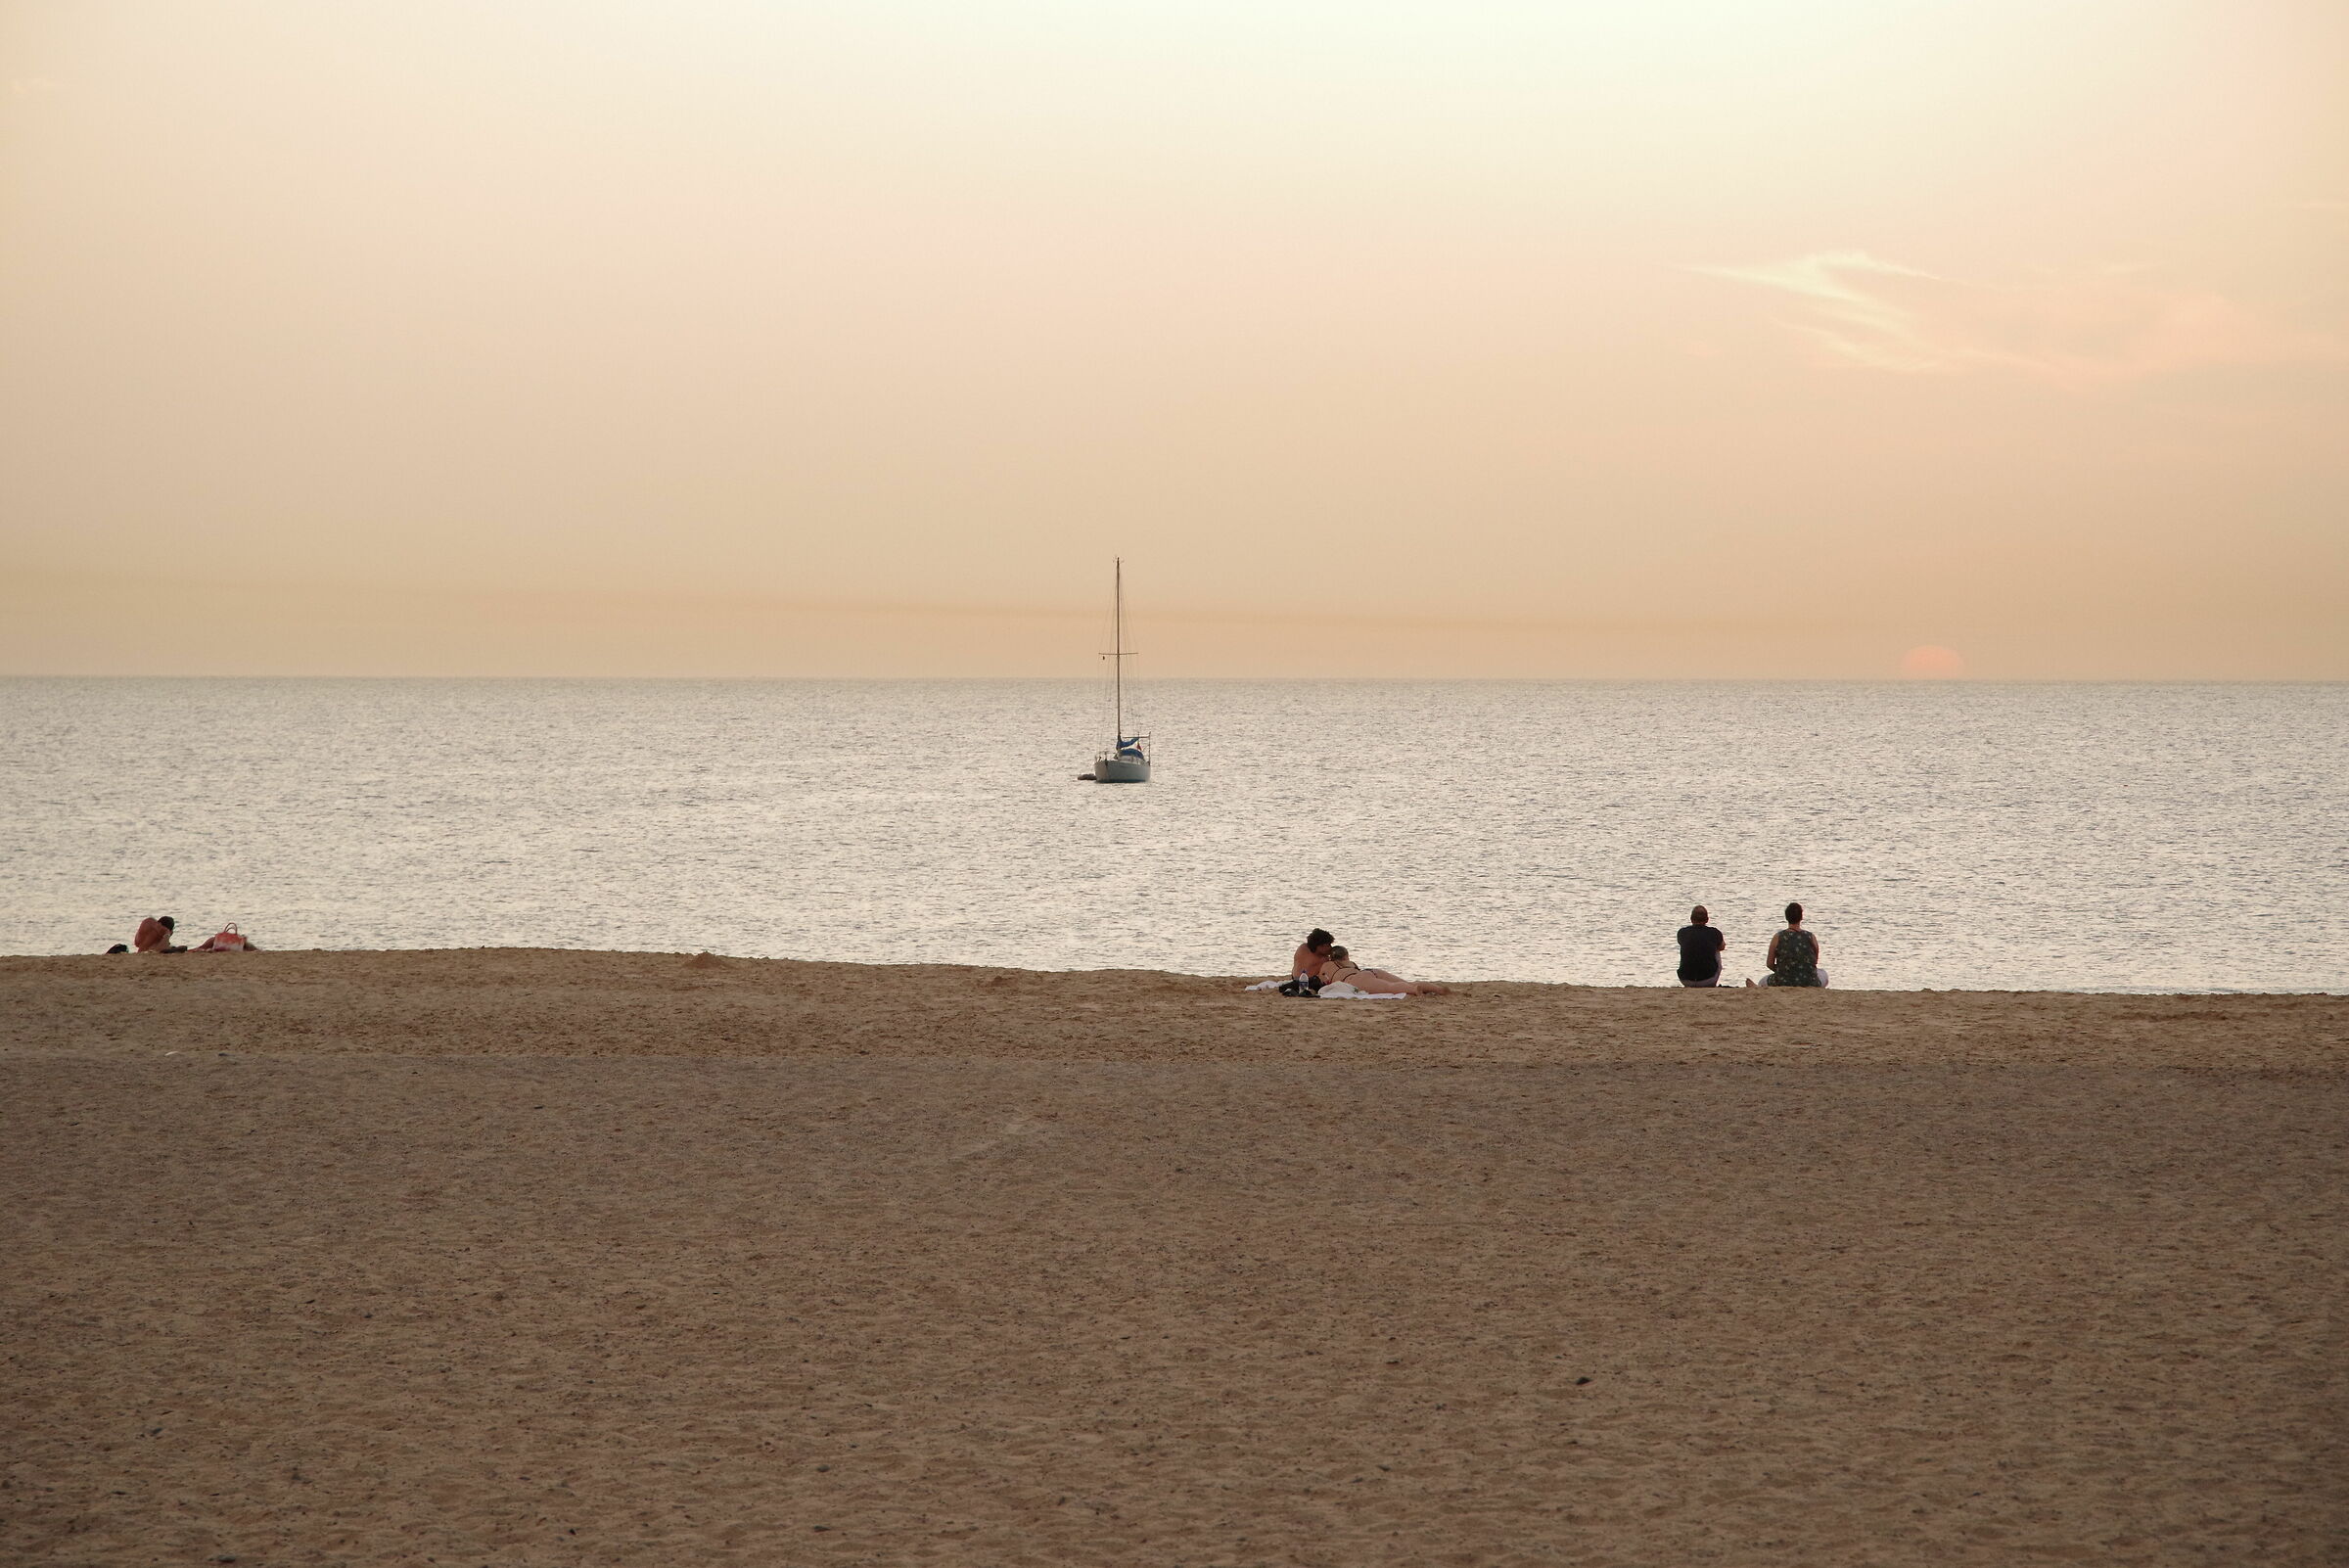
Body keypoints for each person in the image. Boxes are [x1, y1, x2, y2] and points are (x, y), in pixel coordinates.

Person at [1747, 902, 1827, 988]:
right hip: (1809, 981)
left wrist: (1784, 970)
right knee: (1824, 974)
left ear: (1786, 917)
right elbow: (1814, 961)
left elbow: (1769, 963)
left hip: (1783, 980)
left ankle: (1758, 987)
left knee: (1763, 980)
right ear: (1801, 917)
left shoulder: (1778, 937)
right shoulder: (1811, 937)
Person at [1317, 945, 1451, 996]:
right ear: (1346, 956)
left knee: (1389, 987)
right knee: (1408, 982)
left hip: (1355, 980)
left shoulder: (1327, 965)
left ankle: (1414, 990)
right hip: (1370, 971)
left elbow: (1322, 980)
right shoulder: (1351, 963)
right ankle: (1438, 989)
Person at [1676, 905, 1726, 988]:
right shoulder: (1714, 933)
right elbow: (1722, 947)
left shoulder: (1682, 932)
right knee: (1716, 948)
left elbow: (1681, 943)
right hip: (1708, 980)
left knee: (1691, 946)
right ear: (1707, 920)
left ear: (1691, 919)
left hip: (1685, 979)